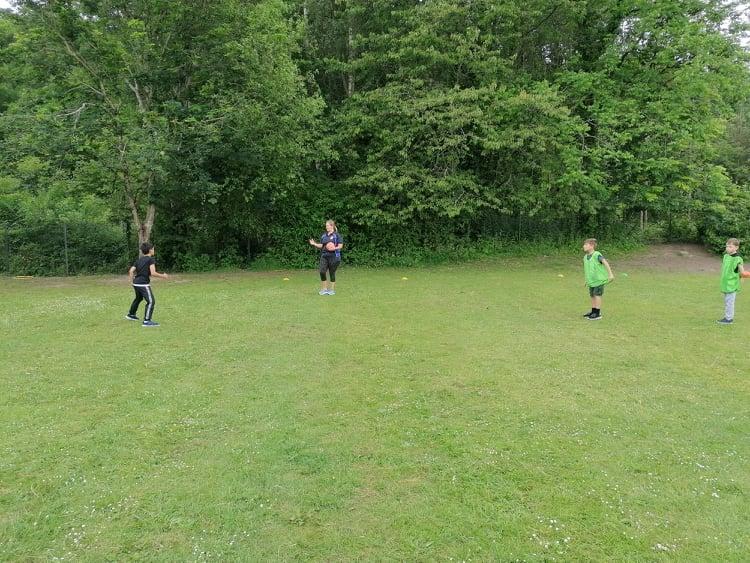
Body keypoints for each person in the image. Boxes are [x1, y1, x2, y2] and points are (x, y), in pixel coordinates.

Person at [126, 242, 169, 326]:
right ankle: (147, 321)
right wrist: (163, 276)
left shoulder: (139, 260)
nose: (154, 250)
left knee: (138, 298)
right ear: (150, 250)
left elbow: (131, 271)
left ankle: (131, 314)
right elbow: (153, 273)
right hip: (143, 284)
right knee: (151, 301)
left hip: (136, 283)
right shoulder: (150, 260)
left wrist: (131, 281)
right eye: (153, 249)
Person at [582, 238, 614, 320]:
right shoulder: (585, 257)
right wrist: (586, 280)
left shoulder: (597, 255)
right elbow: (587, 269)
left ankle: (597, 313)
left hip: (599, 280)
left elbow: (605, 262)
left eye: (586, 244)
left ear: (592, 246)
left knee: (597, 295)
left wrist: (610, 274)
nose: (584, 246)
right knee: (592, 295)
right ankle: (593, 311)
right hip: (591, 281)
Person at [309, 220, 343, 295]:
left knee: (332, 273)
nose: (326, 227)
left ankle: (332, 290)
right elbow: (322, 245)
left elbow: (340, 246)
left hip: (334, 256)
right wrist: (314, 244)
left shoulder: (337, 235)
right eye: (326, 226)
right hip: (324, 256)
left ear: (332, 226)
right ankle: (324, 289)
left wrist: (333, 248)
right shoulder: (324, 235)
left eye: (327, 225)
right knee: (322, 271)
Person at [718, 238, 745, 324]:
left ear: (736, 247)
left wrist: (743, 277)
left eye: (730, 246)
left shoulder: (738, 259)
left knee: (729, 302)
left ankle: (729, 319)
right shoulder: (726, 256)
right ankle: (727, 317)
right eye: (727, 246)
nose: (727, 248)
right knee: (727, 302)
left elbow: (742, 271)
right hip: (725, 283)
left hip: (732, 284)